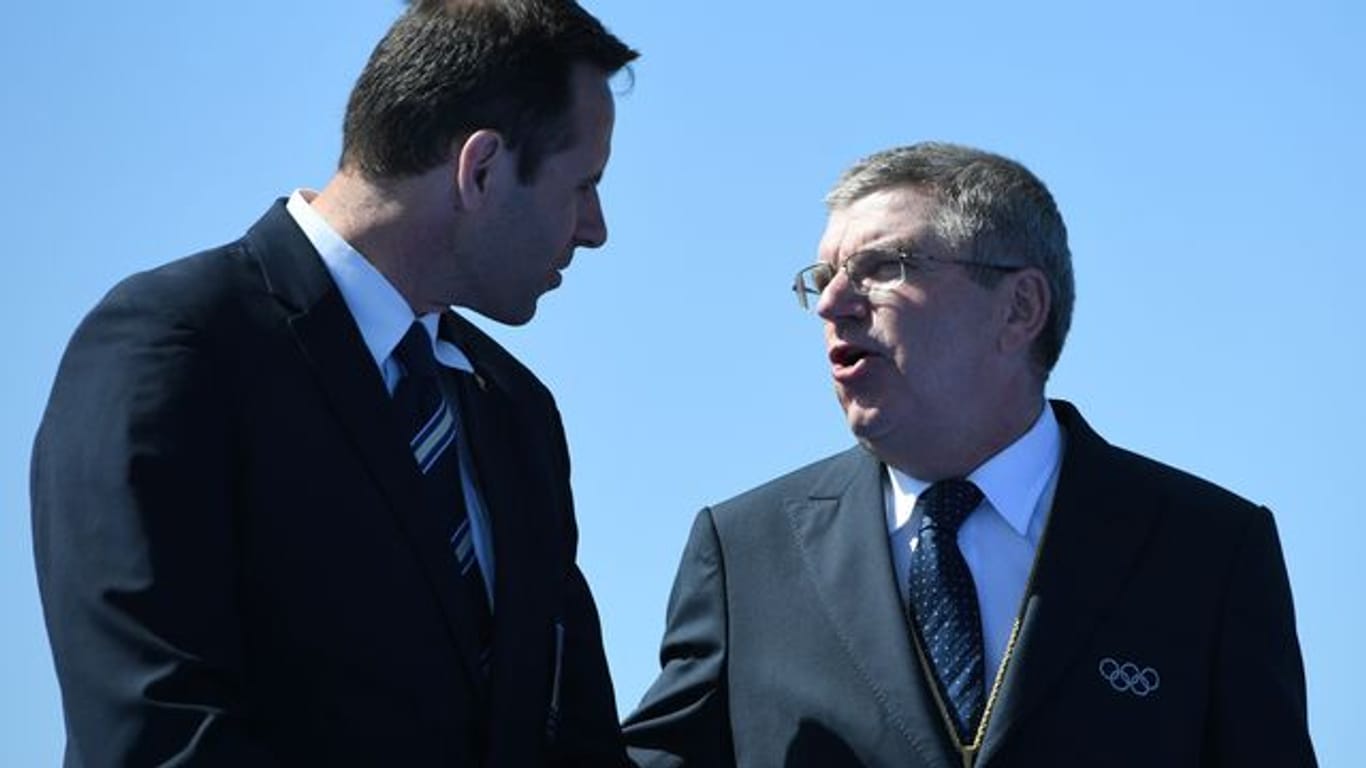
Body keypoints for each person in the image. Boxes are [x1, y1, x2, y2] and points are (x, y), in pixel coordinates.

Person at [31, 1, 638, 765]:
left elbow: (575, 740)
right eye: (583, 185)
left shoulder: (514, 410)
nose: (595, 227)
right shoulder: (177, 347)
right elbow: (158, 730)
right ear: (480, 169)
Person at [622, 142, 1316, 766]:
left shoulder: (1207, 549)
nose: (834, 304)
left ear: (1019, 308)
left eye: (881, 268)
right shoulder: (747, 553)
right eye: (823, 278)